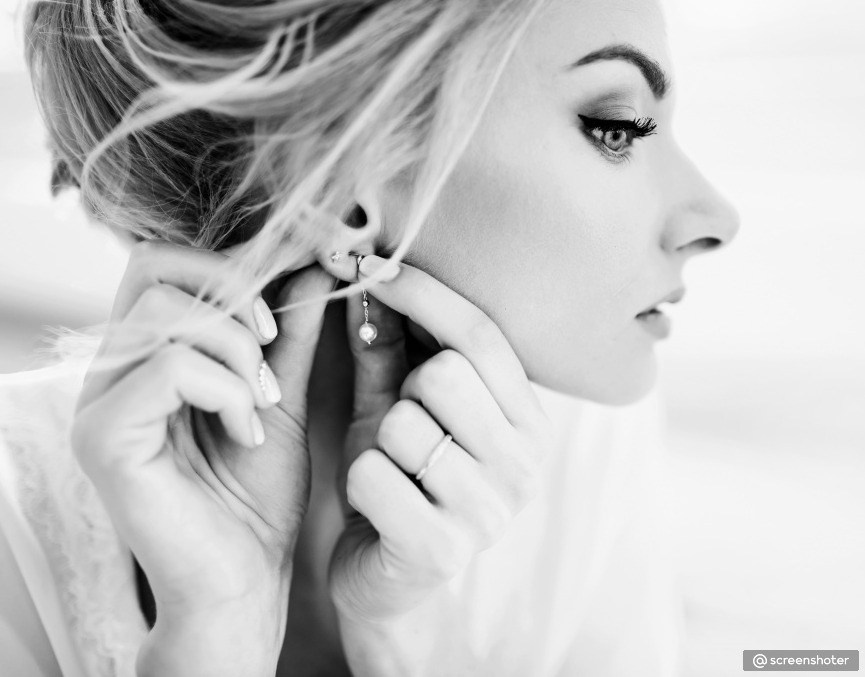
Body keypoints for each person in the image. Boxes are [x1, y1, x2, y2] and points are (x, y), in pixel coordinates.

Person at [0, 0, 740, 675]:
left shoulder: (573, 439)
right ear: (338, 194)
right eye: (616, 128)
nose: (716, 218)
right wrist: (216, 632)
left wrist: (403, 636)